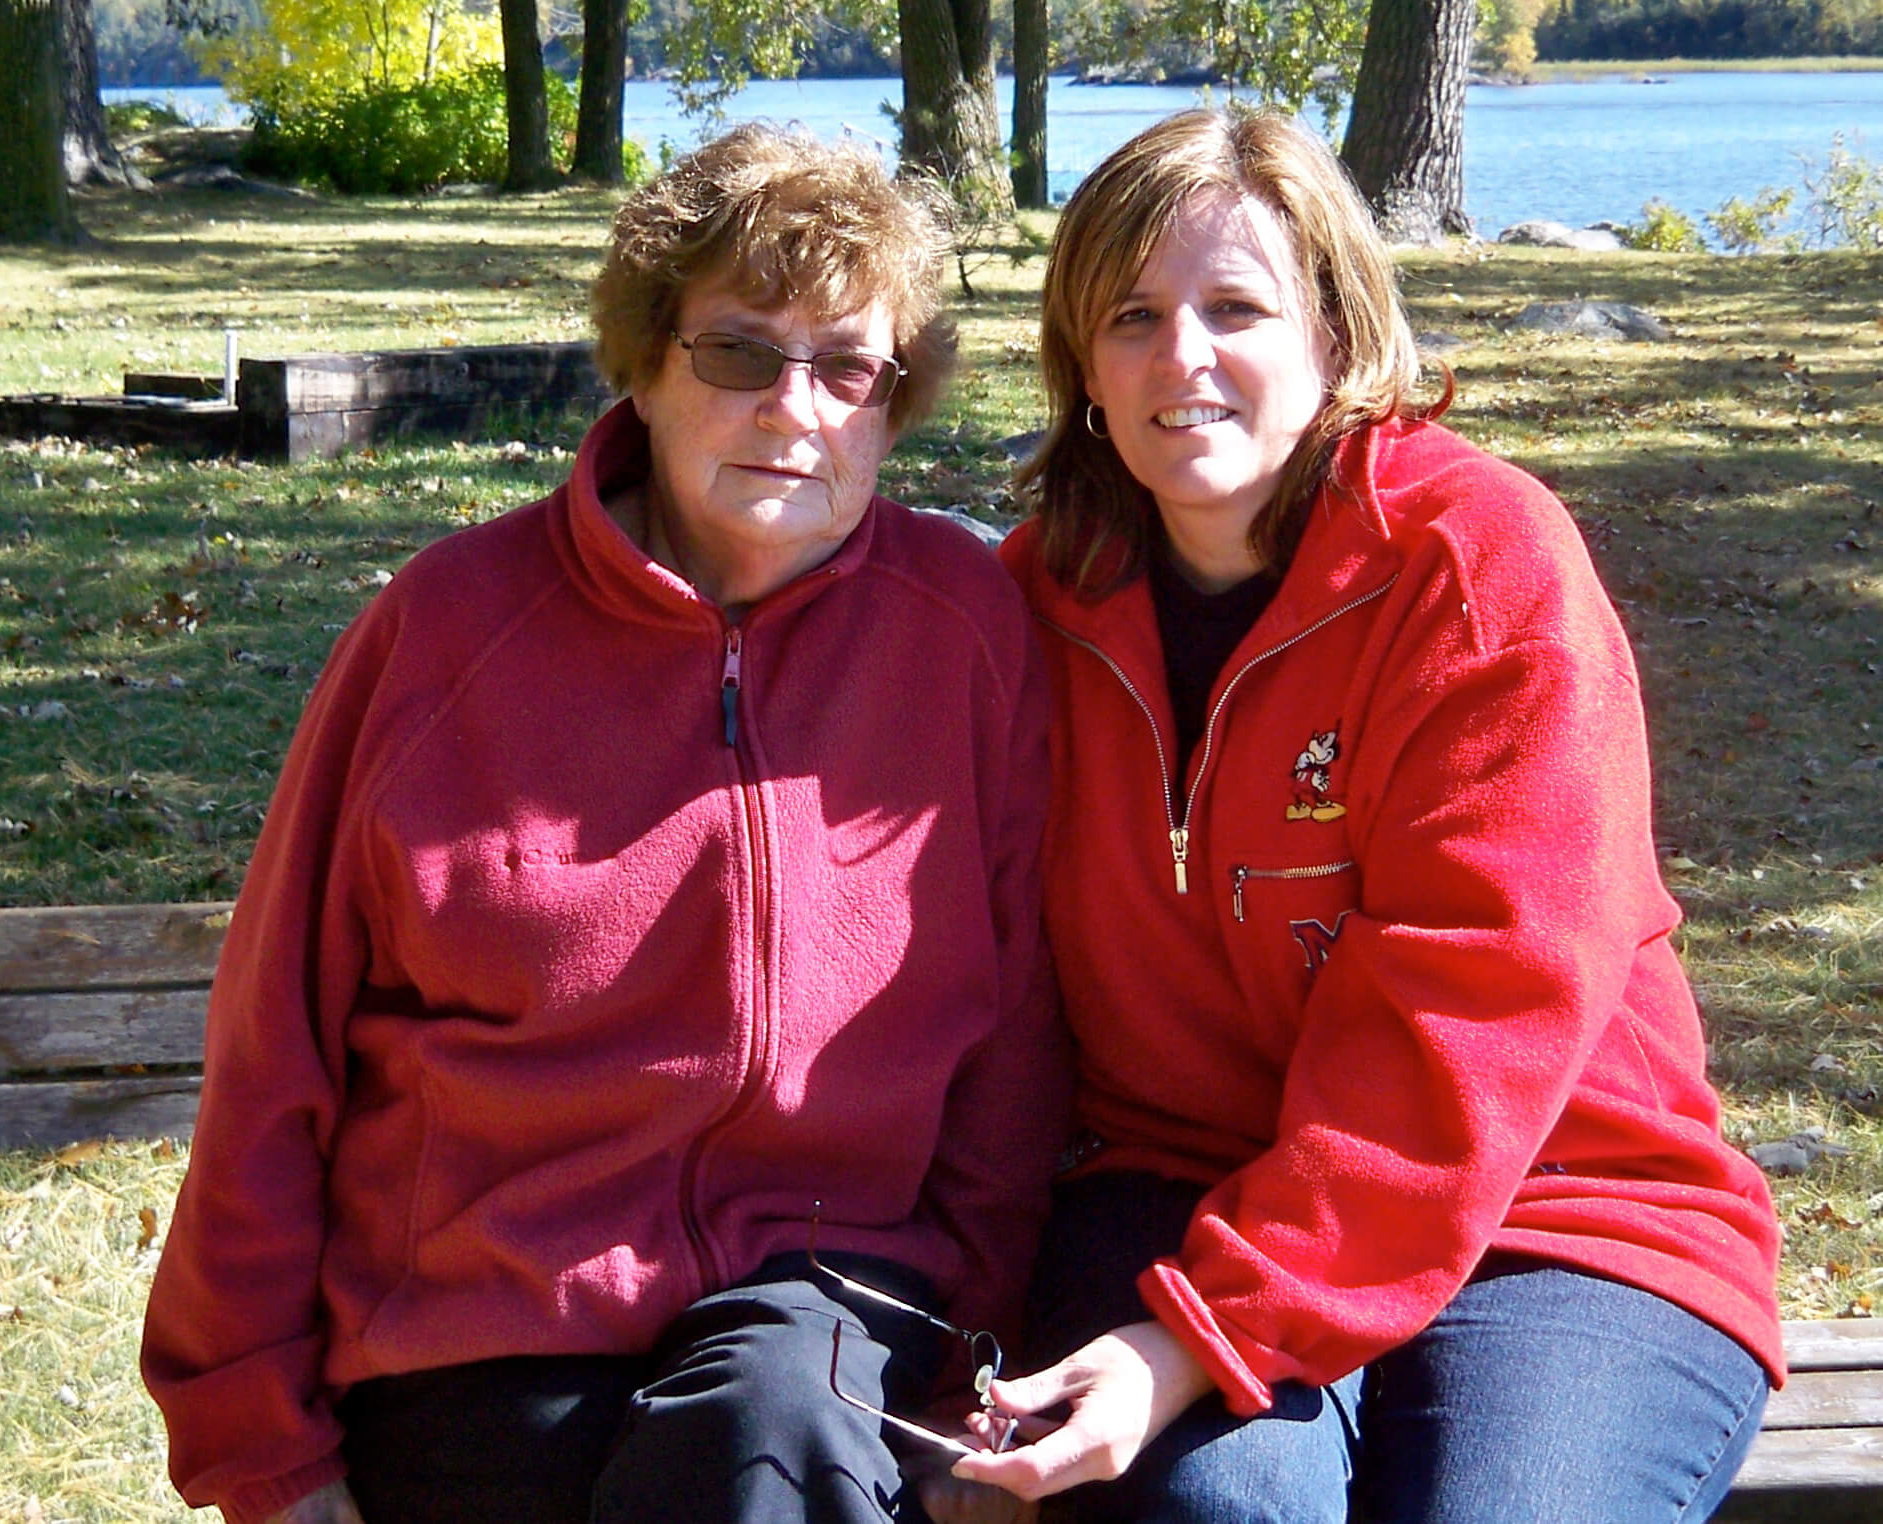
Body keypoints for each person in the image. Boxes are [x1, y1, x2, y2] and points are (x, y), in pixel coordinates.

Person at [141, 124, 1070, 1524]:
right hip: (481, 1316)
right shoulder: (448, 630)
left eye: (846, 368)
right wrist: (258, 1442)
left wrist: (964, 1382)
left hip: (826, 1297)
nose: (792, 408)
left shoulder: (965, 629)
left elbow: (1013, 1048)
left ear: (895, 399)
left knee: (775, 1434)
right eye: (739, 354)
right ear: (645, 363)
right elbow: (276, 1042)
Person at [947, 107, 1786, 1523]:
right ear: (1081, 362)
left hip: (1555, 1203)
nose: (1182, 358)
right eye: (1133, 317)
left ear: (1335, 332)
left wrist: (1213, 1334)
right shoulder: (1031, 606)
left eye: (1234, 308)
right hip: (1177, 1180)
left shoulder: (1473, 567)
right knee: (1224, 1511)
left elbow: (1479, 1006)